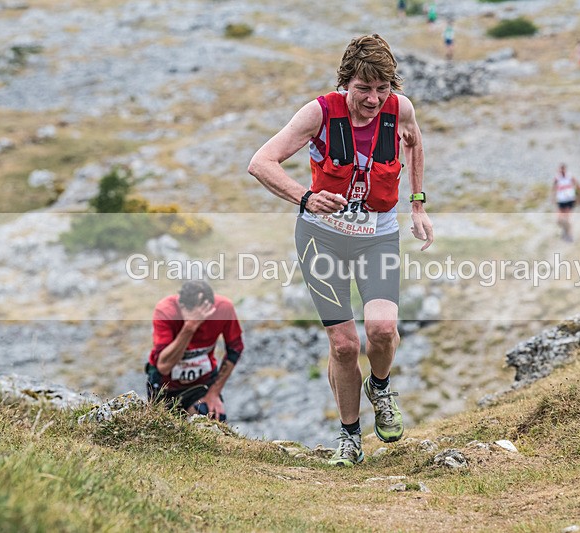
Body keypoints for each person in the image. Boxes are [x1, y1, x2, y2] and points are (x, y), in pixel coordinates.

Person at [248, 34, 434, 466]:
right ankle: (350, 437)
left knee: (383, 329)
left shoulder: (400, 109)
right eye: (363, 89)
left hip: (378, 234)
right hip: (321, 237)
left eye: (381, 89)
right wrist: (305, 197)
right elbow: (261, 162)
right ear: (345, 83)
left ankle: (382, 388)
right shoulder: (318, 113)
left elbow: (414, 142)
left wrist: (418, 204)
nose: (372, 99)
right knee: (346, 345)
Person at [145, 280, 244, 422]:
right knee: (164, 433)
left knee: (211, 418)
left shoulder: (224, 308)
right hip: (165, 385)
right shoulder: (166, 310)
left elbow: (235, 348)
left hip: (201, 383)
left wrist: (214, 392)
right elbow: (164, 367)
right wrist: (190, 327)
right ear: (181, 305)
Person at [552, 163, 579, 242]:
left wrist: (576, 195)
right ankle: (565, 230)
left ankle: (569, 235)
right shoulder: (557, 178)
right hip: (561, 200)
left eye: (562, 169)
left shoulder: (569, 176)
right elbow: (554, 188)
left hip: (569, 199)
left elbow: (576, 184)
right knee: (559, 219)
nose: (561, 171)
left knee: (567, 218)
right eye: (560, 170)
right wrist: (554, 197)